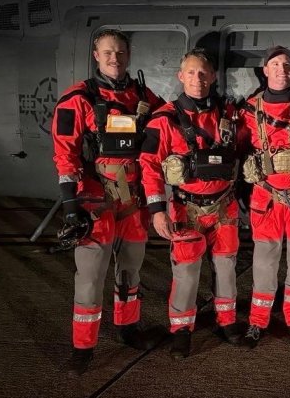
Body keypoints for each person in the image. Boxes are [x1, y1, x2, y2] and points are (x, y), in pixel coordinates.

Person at [51, 29, 165, 376]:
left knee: (130, 270)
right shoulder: (77, 100)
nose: (115, 58)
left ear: (128, 55)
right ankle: (83, 347)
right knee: (89, 277)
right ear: (96, 56)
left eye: (120, 52)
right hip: (95, 201)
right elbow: (64, 153)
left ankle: (128, 328)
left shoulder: (145, 97)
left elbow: (172, 122)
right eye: (107, 53)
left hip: (133, 202)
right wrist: (71, 206)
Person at [140, 48, 245, 359]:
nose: (198, 79)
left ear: (212, 77)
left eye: (204, 73)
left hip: (225, 206)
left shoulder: (228, 114)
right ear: (180, 76)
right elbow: (149, 165)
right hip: (186, 207)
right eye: (191, 73)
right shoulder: (163, 120)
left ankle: (226, 321)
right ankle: (181, 329)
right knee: (186, 273)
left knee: (226, 267)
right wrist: (157, 210)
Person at [239, 46, 290, 347]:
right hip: (266, 198)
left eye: (287, 64)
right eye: (275, 64)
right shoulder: (249, 109)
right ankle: (257, 322)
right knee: (264, 262)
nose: (281, 69)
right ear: (265, 70)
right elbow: (237, 149)